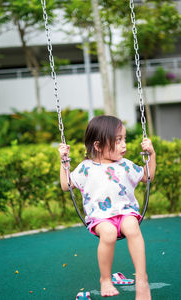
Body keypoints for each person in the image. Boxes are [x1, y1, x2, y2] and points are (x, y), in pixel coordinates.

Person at [59, 115, 156, 299]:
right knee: (109, 232)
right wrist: (63, 161)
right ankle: (105, 279)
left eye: (124, 139)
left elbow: (147, 176)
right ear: (97, 145)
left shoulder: (125, 165)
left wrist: (151, 154)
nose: (124, 145)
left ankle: (142, 279)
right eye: (118, 140)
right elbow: (67, 185)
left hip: (125, 212)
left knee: (132, 226)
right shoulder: (86, 167)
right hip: (100, 218)